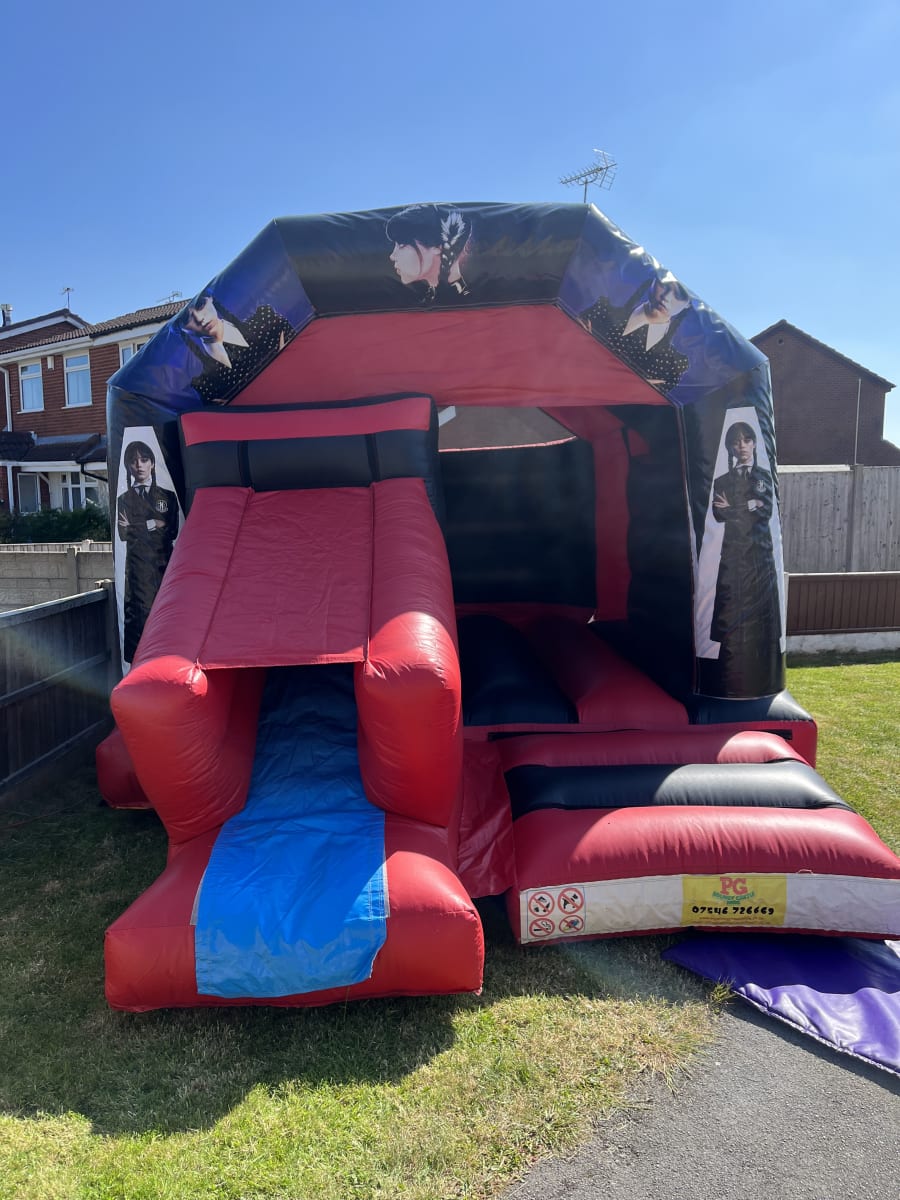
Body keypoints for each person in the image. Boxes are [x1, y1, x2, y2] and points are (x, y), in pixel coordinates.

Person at [710, 421, 781, 694]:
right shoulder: (722, 481)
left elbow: (763, 512)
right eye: (736, 441)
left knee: (761, 614)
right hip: (732, 556)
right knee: (730, 608)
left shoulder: (763, 477)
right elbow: (719, 514)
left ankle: (758, 666)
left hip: (759, 556)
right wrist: (748, 504)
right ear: (729, 447)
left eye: (746, 440)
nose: (741, 446)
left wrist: (736, 507)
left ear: (754, 444)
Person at [116, 440, 179, 663]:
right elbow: (123, 533)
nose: (139, 465)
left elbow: (171, 530)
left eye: (144, 460)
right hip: (135, 573)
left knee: (166, 617)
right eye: (134, 461)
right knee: (138, 622)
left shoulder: (167, 496)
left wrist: (136, 527)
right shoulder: (123, 500)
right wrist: (153, 524)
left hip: (163, 568)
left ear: (152, 463)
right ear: (128, 466)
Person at [580, 272, 691, 392]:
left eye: (680, 295)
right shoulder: (601, 312)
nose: (666, 297)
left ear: (688, 304)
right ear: (654, 279)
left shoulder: (672, 366)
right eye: (664, 284)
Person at [178, 292, 294, 405]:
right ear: (182, 329)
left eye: (200, 305)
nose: (199, 318)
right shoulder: (205, 384)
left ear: (211, 299)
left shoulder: (267, 321)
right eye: (186, 318)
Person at [385, 205, 472, 303]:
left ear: (437, 247)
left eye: (401, 245)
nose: (392, 256)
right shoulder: (428, 299)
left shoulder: (468, 302)